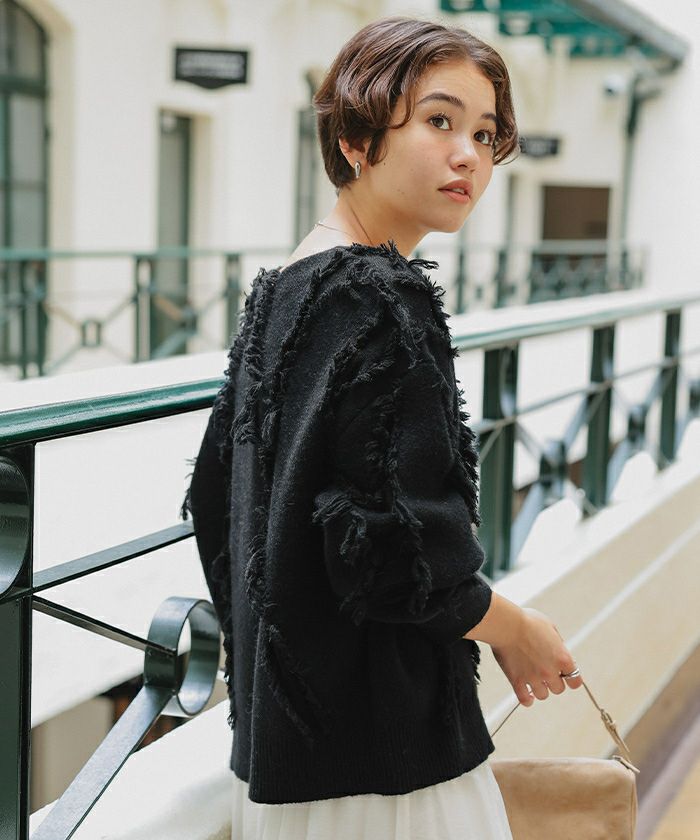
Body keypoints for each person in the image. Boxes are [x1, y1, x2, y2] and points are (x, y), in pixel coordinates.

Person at [182, 16, 583, 840]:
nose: (468, 156)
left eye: (485, 134)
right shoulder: (380, 297)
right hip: (386, 768)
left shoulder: (285, 290)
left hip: (287, 756)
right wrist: (517, 630)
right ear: (358, 138)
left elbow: (215, 499)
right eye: (439, 121)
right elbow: (396, 553)